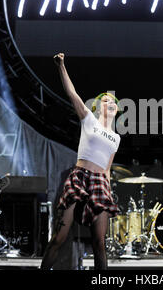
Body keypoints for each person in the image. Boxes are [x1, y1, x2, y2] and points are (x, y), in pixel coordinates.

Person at [40, 53, 121, 270]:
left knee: (99, 243)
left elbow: (107, 168)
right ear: (98, 106)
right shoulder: (89, 120)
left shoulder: (116, 137)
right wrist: (61, 66)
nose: (111, 103)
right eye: (106, 101)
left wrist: (109, 192)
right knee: (59, 237)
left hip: (100, 183)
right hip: (79, 176)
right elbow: (72, 92)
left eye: (114, 102)